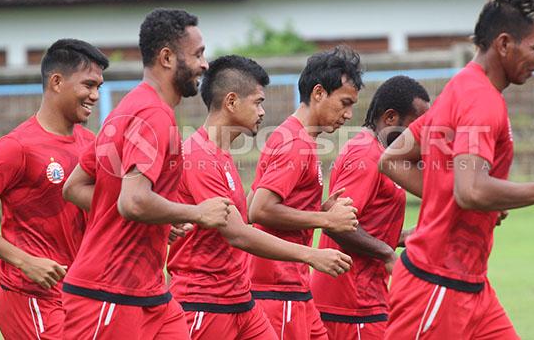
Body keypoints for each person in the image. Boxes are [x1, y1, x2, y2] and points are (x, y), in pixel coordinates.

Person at [379, 0, 534, 339]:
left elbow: (393, 158)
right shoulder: (481, 101)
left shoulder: (460, 88)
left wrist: (467, 200)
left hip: (470, 283)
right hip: (437, 284)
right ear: (504, 44)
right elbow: (470, 190)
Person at [60, 9, 231, 339]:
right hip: (109, 293)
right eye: (197, 54)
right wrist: (196, 212)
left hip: (150, 294)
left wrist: (158, 216)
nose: (205, 64)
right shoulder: (153, 114)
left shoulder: (130, 106)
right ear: (167, 57)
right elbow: (133, 201)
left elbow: (77, 186)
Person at [168, 54, 354, 340]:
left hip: (241, 299)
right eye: (257, 102)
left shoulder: (223, 157)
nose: (263, 112)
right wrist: (313, 248)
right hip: (205, 302)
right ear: (231, 102)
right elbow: (240, 232)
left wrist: (317, 212)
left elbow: (249, 214)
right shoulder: (197, 157)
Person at [0, 39, 109, 339]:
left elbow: (104, 207)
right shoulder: (17, 147)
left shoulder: (91, 145)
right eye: (88, 85)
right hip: (31, 297)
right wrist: (24, 261)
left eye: (99, 86)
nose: (95, 95)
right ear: (57, 82)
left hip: (80, 294)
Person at [247, 45, 364, 340]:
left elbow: (268, 203)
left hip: (294, 286)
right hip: (277, 288)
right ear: (319, 93)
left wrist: (321, 209)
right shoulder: (296, 143)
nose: (349, 114)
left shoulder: (301, 138)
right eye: (345, 103)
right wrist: (326, 221)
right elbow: (258, 209)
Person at [311, 76, 430, 340]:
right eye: (417, 125)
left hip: (365, 298)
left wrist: (403, 237)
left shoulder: (385, 155)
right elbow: (338, 225)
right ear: (390, 118)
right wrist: (388, 253)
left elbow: (363, 222)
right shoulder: (366, 155)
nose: (422, 134)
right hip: (348, 302)